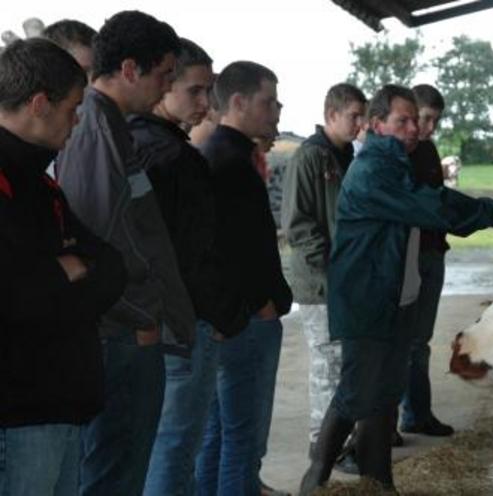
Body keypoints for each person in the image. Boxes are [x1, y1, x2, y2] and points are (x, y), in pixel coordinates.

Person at [299, 84, 493, 495]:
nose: (413, 128)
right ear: (376, 125)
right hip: (366, 299)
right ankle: (315, 479)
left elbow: (440, 200)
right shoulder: (375, 170)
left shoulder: (396, 165)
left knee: (384, 395)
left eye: (415, 120)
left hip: (394, 296)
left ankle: (379, 483)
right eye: (402, 121)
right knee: (357, 393)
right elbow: (437, 209)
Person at [55, 11, 194, 496]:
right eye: (164, 75)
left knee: (123, 470)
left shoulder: (112, 125)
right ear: (130, 69)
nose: (167, 87)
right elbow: (95, 240)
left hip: (130, 330)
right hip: (120, 334)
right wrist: (137, 316)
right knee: (113, 474)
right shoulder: (94, 128)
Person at [0, 38, 126, 496]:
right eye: (73, 109)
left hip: (60, 403)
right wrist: (62, 270)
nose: (77, 122)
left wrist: (69, 270)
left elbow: (110, 266)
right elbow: (14, 295)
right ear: (39, 103)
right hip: (20, 414)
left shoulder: (39, 182)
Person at [126, 37, 220, 496]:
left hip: (165, 320)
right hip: (179, 324)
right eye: (194, 90)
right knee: (175, 445)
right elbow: (186, 253)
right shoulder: (167, 155)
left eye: (209, 91)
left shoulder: (142, 143)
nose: (205, 103)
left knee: (171, 444)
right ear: (163, 84)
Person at [195, 61, 293, 496]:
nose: (276, 109)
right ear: (238, 102)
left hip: (231, 315)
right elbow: (238, 249)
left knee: (218, 432)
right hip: (247, 317)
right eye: (267, 101)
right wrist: (262, 301)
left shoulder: (220, 154)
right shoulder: (231, 162)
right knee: (242, 436)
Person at [281, 83, 366, 458]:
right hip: (320, 283)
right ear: (331, 114)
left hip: (344, 279)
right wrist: (333, 269)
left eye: (363, 115)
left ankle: (341, 440)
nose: (360, 123)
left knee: (343, 363)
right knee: (327, 365)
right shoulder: (311, 157)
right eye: (354, 116)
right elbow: (298, 224)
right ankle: (323, 444)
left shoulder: (346, 155)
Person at [399, 83, 454, 437]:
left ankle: (417, 413)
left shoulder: (429, 151)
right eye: (425, 118)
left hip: (433, 251)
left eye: (435, 121)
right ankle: (395, 420)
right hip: (407, 257)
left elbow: (440, 201)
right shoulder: (396, 154)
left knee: (420, 340)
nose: (429, 128)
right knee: (402, 342)